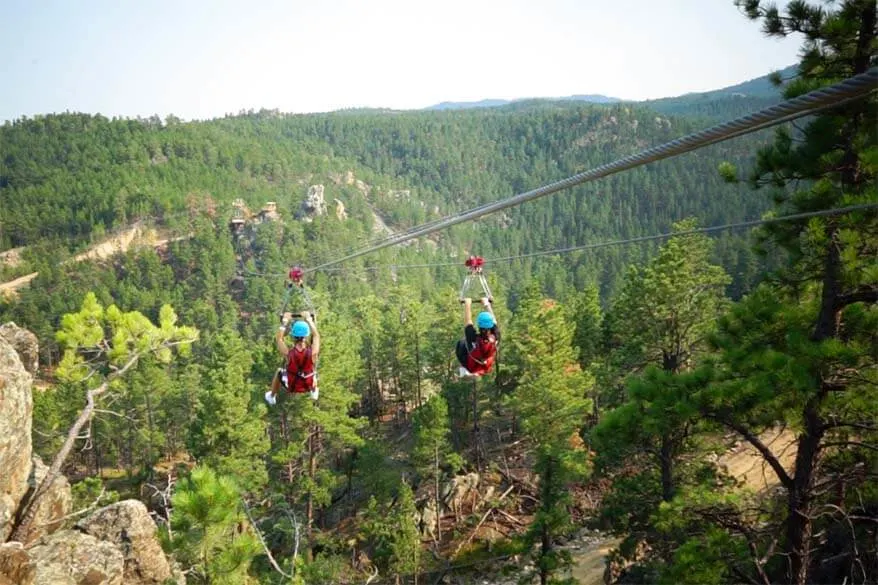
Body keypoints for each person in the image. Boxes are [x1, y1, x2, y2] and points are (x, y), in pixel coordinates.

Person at [265, 311, 320, 404]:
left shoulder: (288, 354)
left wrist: (285, 321)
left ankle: (272, 395)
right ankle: (314, 391)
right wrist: (309, 320)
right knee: (313, 372)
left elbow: (279, 339)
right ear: (306, 336)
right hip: (308, 385)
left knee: (279, 371)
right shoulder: (313, 352)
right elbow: (316, 336)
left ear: (293, 336)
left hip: (292, 385)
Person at [456, 297, 500, 378]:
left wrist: (467, 304)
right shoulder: (495, 337)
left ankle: (464, 369)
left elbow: (468, 321)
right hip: (486, 366)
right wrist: (486, 304)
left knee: (461, 343)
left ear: (479, 325)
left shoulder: (472, 338)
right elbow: (494, 321)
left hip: (471, 366)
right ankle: (477, 371)